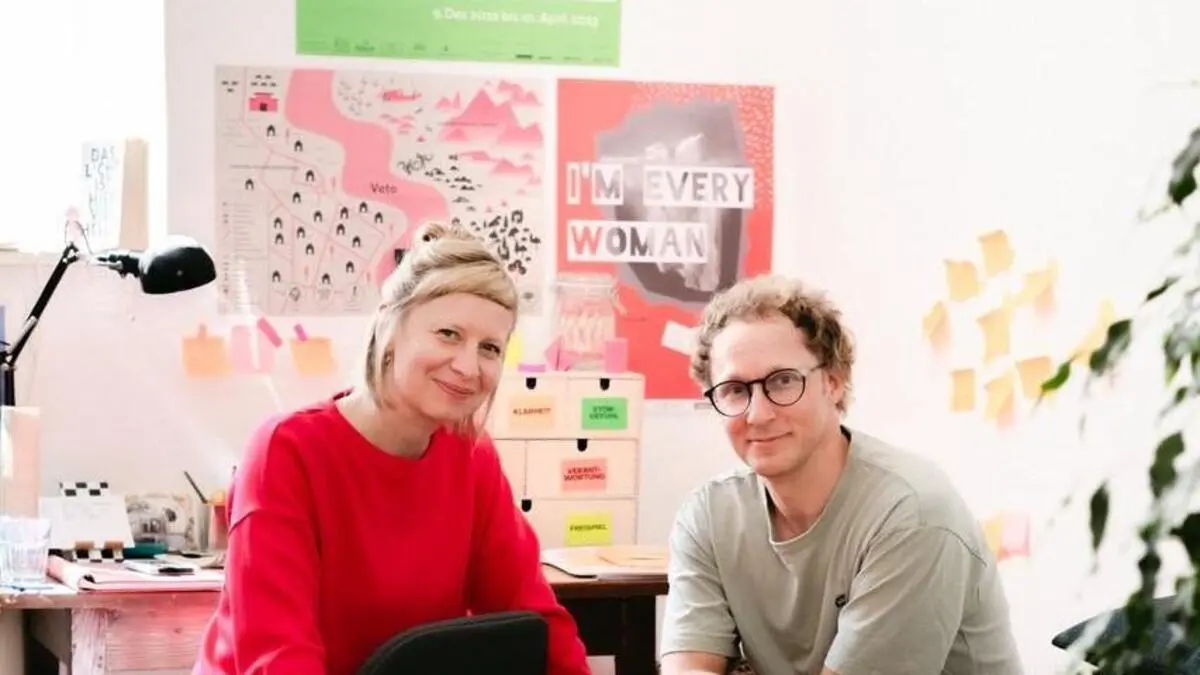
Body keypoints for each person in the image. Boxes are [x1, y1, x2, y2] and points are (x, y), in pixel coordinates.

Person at [194, 222, 591, 675]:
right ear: (389, 324)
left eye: (489, 348)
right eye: (448, 334)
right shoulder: (286, 453)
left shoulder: (472, 458)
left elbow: (534, 615)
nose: (468, 366)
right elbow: (277, 656)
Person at [659, 275, 1023, 675]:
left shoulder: (911, 514)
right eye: (734, 389)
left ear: (833, 381)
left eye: (783, 381)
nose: (758, 414)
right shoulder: (709, 516)